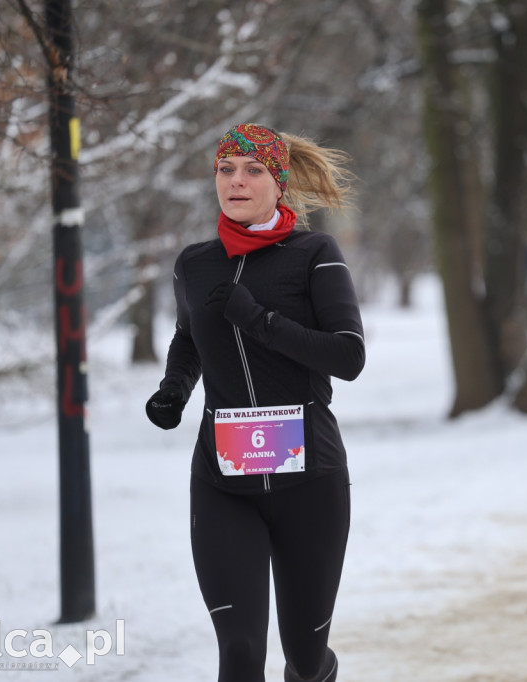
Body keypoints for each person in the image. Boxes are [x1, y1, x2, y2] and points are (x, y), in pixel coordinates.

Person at [145, 123, 364, 682]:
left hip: (309, 481)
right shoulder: (194, 263)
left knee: (304, 659)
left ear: (279, 181)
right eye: (226, 169)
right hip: (224, 484)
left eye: (252, 170)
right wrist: (173, 390)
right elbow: (189, 338)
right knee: (240, 652)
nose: (235, 182)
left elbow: (348, 356)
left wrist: (258, 320)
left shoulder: (315, 252)